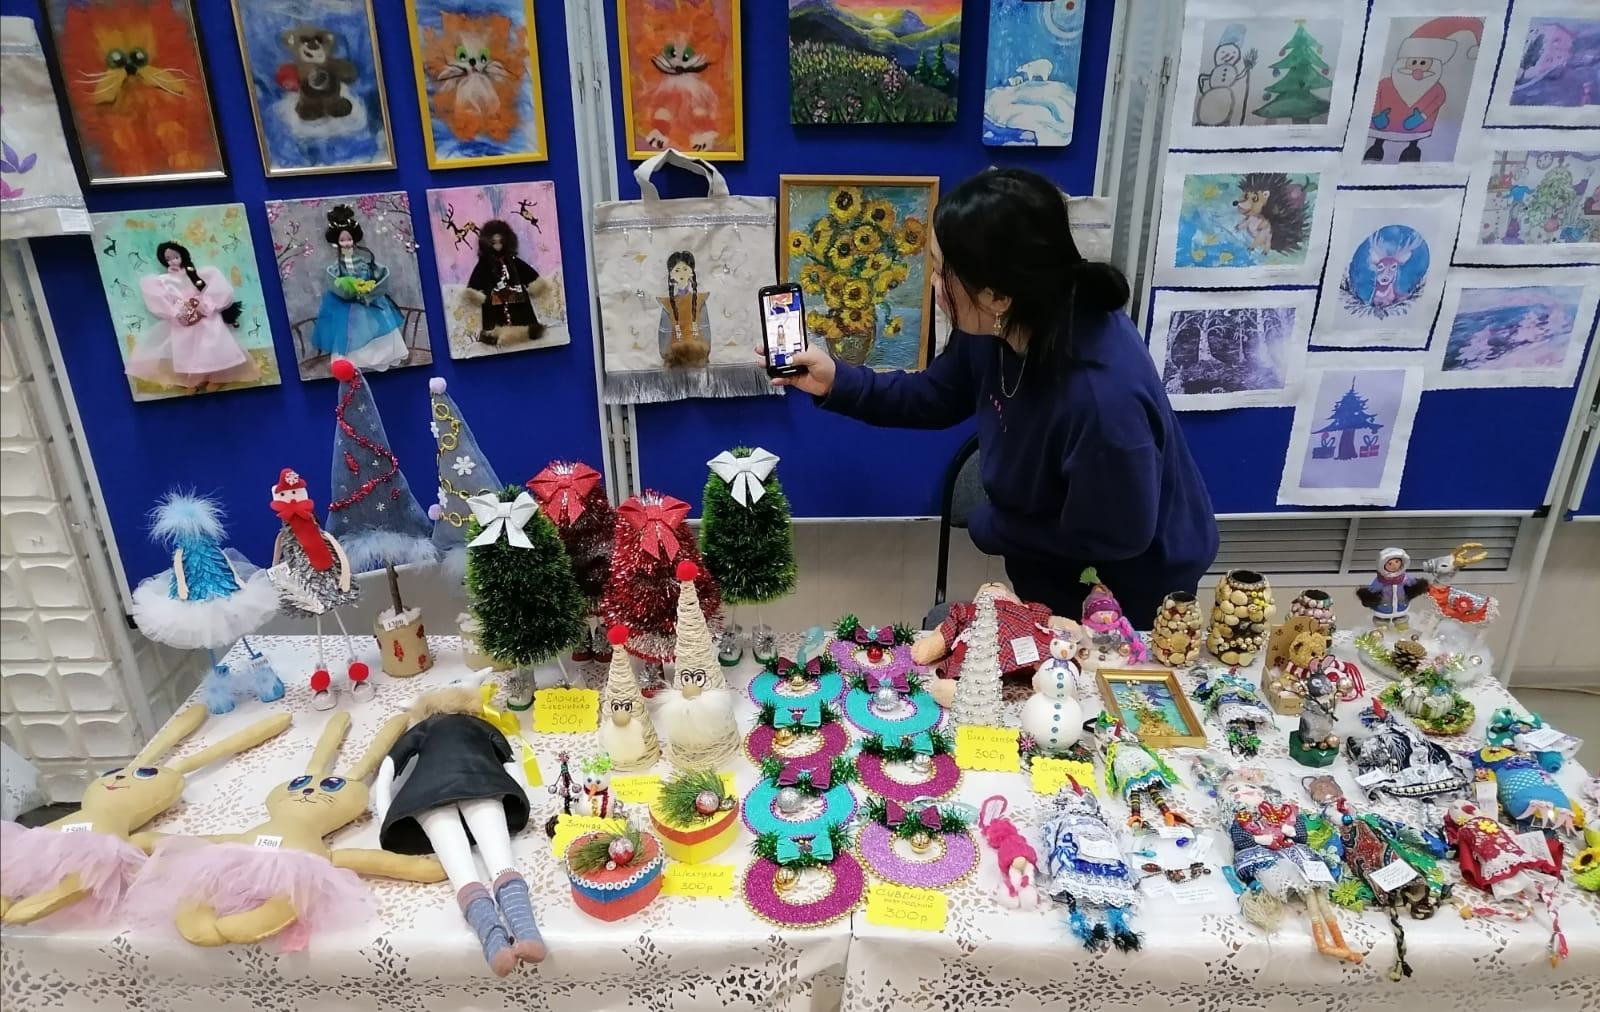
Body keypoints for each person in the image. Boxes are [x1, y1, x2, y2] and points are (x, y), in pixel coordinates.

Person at [772, 168, 1218, 626]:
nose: (933, 284)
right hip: (1051, 562)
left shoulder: (1102, 398)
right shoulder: (1000, 320)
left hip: (1127, 590)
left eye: (941, 272)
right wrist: (837, 382)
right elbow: (937, 395)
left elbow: (1117, 536)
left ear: (997, 294)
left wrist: (994, 525)